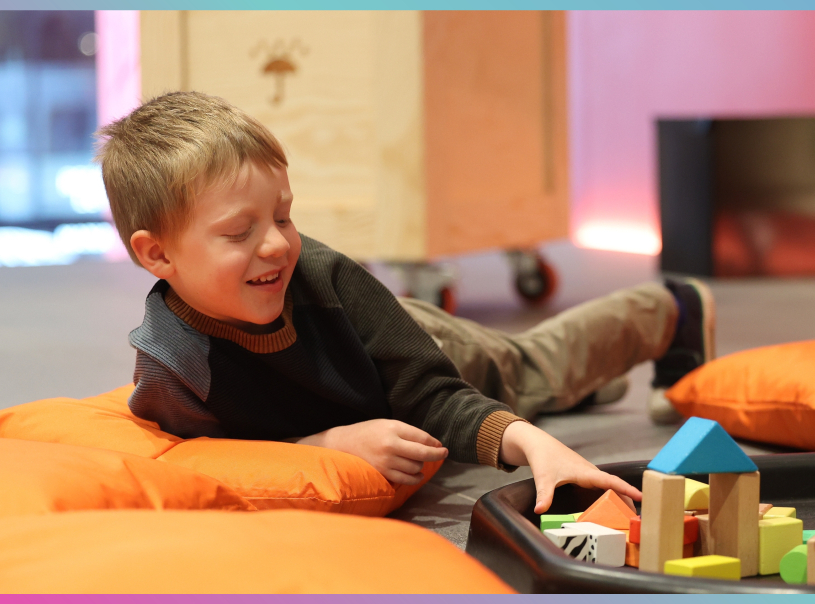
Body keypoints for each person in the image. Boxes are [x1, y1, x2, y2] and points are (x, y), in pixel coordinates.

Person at [95, 91, 714, 514]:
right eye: (239, 232)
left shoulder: (324, 275)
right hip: (362, 388)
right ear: (157, 256)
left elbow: (435, 397)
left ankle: (670, 309)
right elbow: (211, 459)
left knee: (529, 374)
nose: (277, 245)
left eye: (284, 216)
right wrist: (326, 446)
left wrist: (536, 447)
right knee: (549, 387)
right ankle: (587, 388)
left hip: (419, 347)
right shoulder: (169, 364)